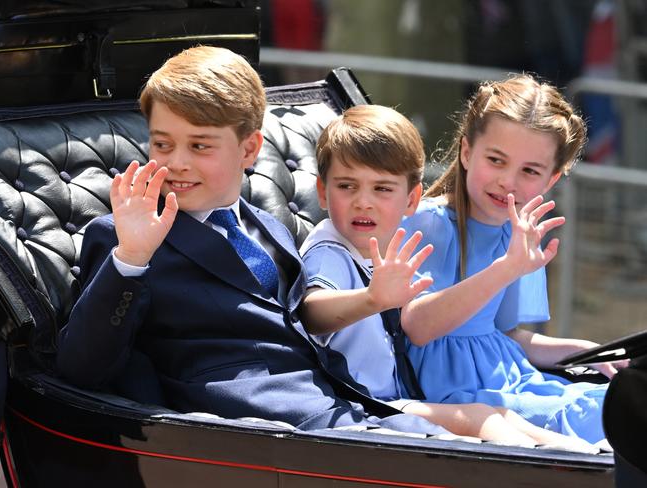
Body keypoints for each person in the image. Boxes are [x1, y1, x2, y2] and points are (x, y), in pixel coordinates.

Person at [54, 45, 453, 435]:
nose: (176, 161)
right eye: (162, 144)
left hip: (342, 404)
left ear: (249, 149)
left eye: (199, 145)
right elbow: (81, 368)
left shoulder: (268, 227)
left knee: (481, 447)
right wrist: (131, 258)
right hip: (255, 427)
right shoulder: (124, 237)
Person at [299, 103, 596, 450]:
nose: (364, 202)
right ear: (322, 191)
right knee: (483, 417)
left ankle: (589, 457)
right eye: (347, 186)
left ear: (409, 199)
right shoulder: (332, 248)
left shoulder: (379, 247)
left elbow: (504, 334)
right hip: (367, 402)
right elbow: (311, 311)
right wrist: (371, 299)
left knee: (503, 417)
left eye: (381, 189)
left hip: (403, 394)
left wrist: (587, 352)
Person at [400, 73, 624, 445]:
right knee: (607, 418)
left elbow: (509, 337)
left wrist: (584, 351)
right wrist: (507, 268)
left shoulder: (518, 231)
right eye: (496, 160)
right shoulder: (430, 223)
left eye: (530, 171)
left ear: (551, 180)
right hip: (462, 397)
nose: (508, 181)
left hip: (515, 380)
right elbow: (418, 328)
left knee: (610, 401)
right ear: (467, 152)